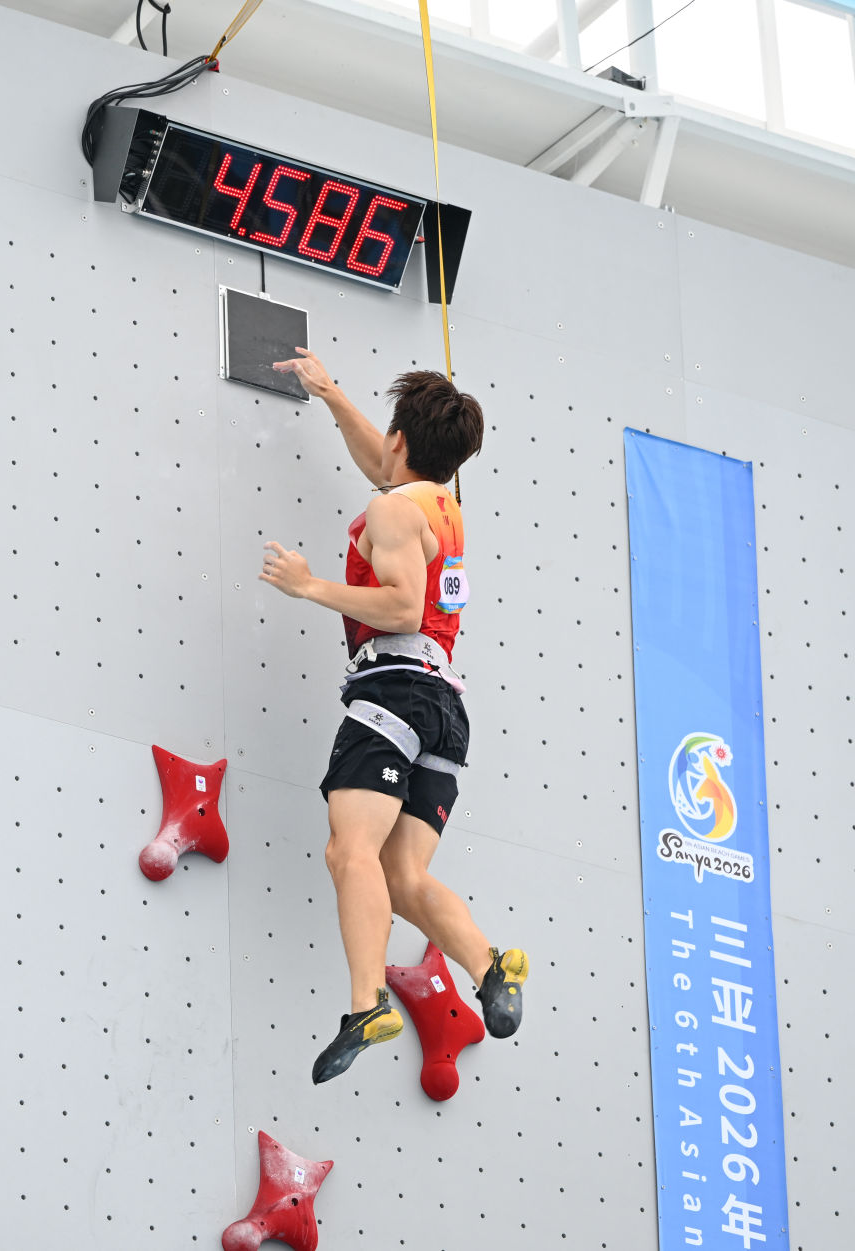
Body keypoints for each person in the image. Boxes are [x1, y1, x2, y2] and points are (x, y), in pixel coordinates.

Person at [260, 347, 528, 1085]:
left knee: (350, 853)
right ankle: (489, 965)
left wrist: (310, 587)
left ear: (402, 439)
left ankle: (365, 1004)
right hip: (445, 710)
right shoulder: (441, 507)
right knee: (402, 876)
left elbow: (403, 606)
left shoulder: (390, 510)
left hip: (393, 695)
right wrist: (330, 395)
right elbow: (384, 470)